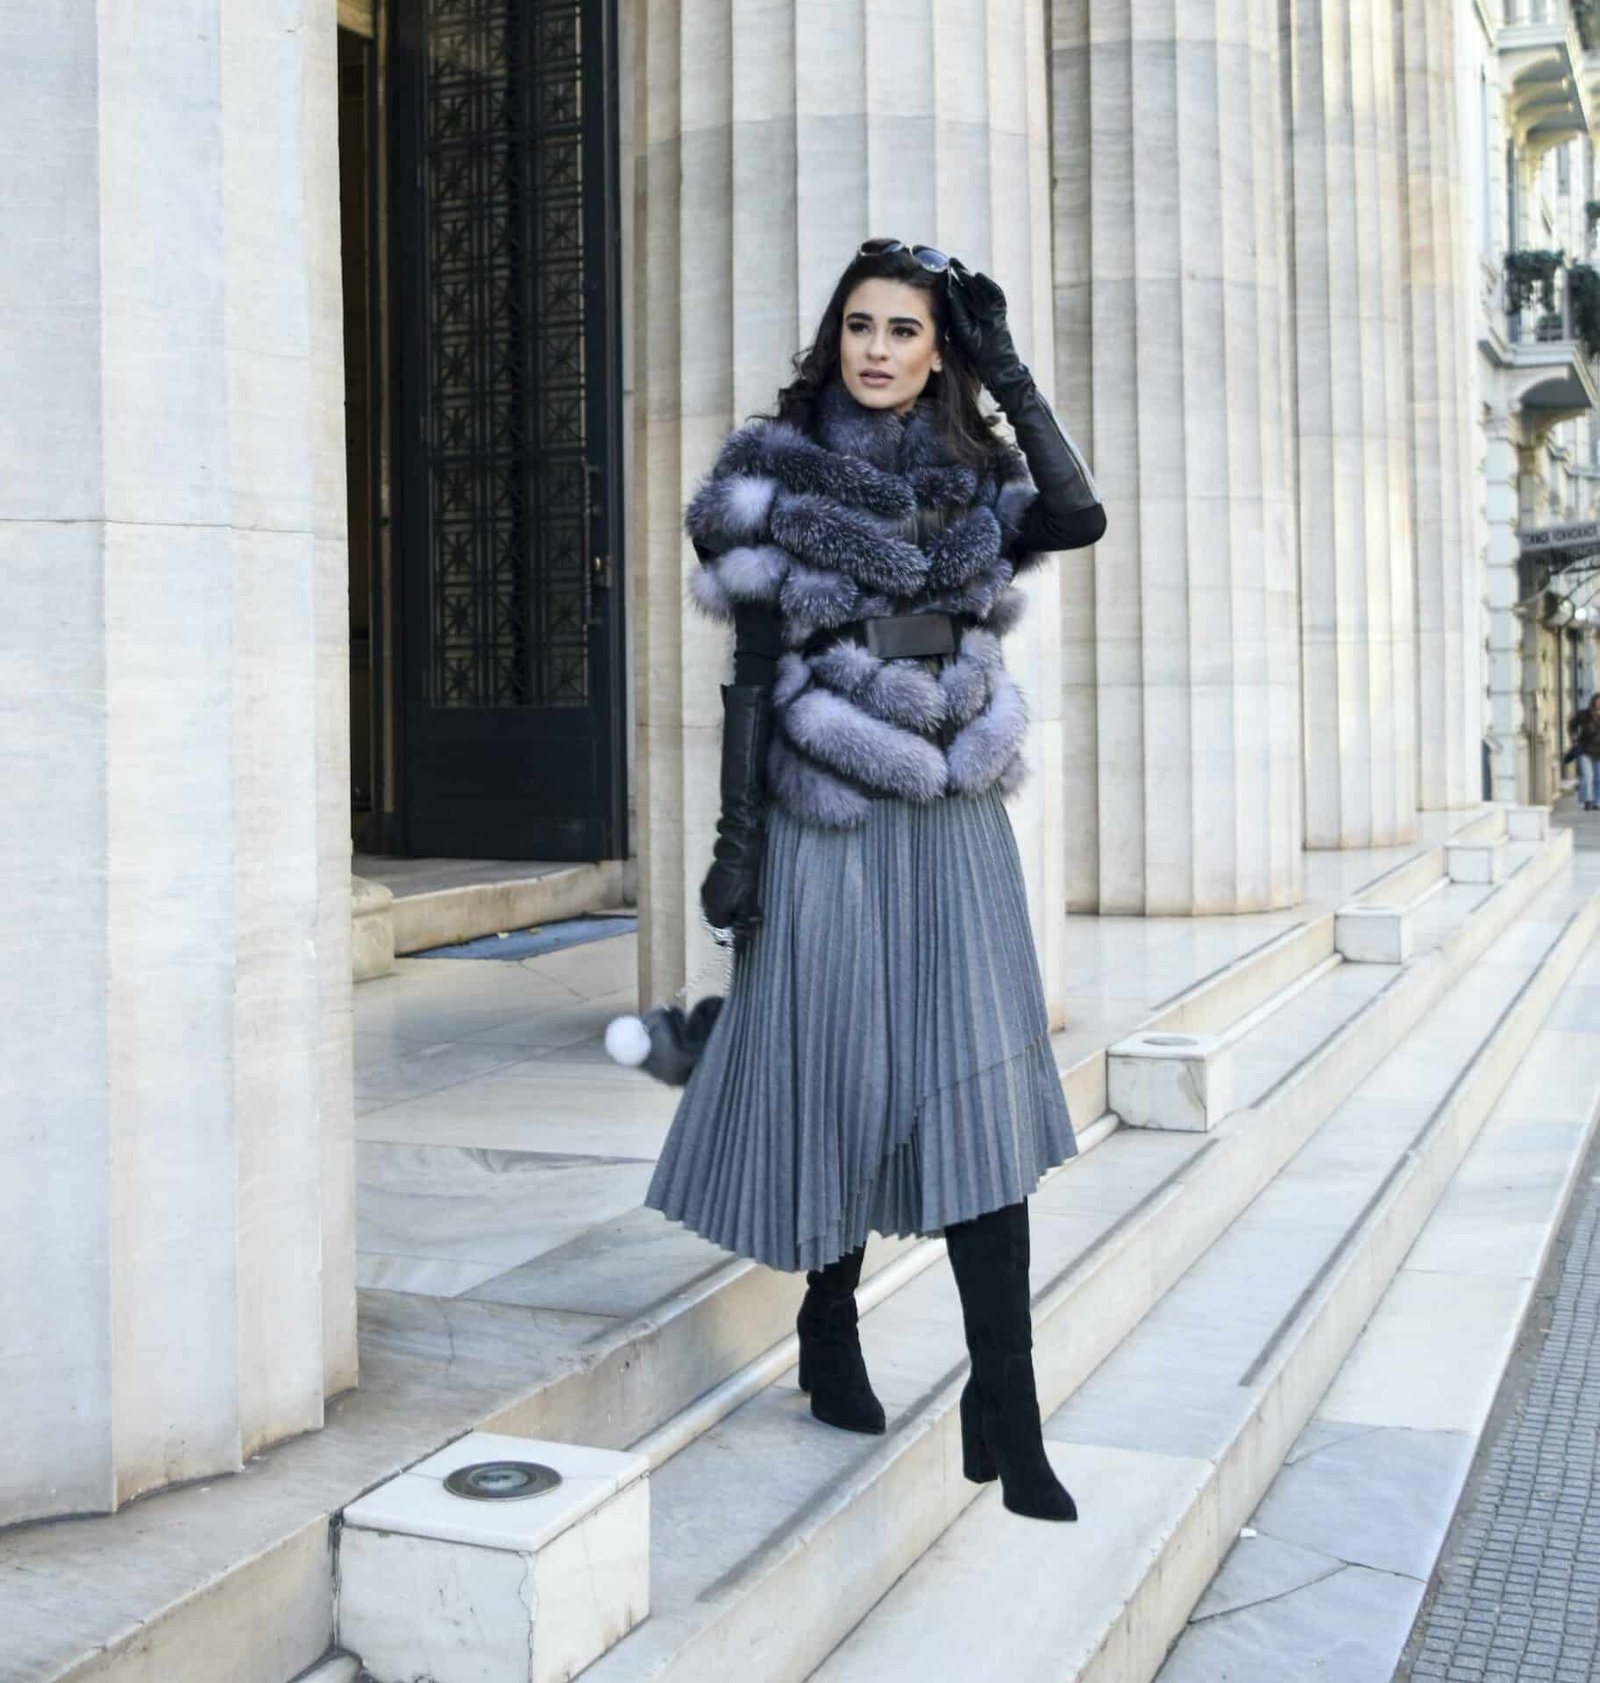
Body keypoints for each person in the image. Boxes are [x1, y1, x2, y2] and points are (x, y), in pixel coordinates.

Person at [643, 238, 1106, 1522]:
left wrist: (1008, 371)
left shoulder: (976, 474)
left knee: (974, 1087)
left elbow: (1076, 516)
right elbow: (750, 673)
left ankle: (1006, 1410)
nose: (878, 349)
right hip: (829, 806)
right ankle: (828, 1314)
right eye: (860, 325)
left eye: (905, 329)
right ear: (833, 336)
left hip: (953, 807)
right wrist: (736, 845)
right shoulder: (769, 472)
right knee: (844, 1073)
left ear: (938, 349)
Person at [1569, 693, 1600, 810]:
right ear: (1593, 701)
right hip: (1585, 750)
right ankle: (1587, 800)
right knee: (1587, 775)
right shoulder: (1584, 714)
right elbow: (1572, 725)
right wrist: (1574, 738)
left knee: (1598, 778)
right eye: (1598, 701)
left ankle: (1597, 802)